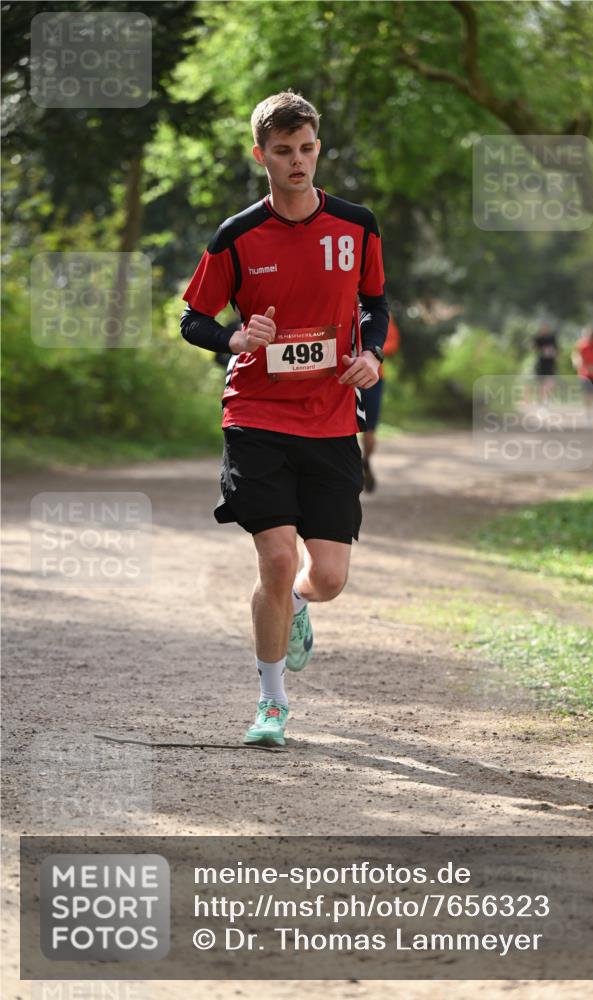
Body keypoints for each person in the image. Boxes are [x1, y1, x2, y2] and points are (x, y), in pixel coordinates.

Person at [180, 91, 388, 748]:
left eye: (305, 149)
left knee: (325, 577)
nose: (296, 162)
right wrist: (235, 341)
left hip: (329, 419)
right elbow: (193, 319)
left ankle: (298, 606)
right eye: (282, 151)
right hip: (256, 415)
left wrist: (372, 355)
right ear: (259, 155)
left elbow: (374, 305)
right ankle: (272, 704)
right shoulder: (236, 236)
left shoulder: (357, 225)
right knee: (275, 558)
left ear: (317, 148)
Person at [360, 313, 400, 492]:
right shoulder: (338, 302)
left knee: (369, 429)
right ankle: (352, 467)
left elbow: (393, 343)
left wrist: (371, 350)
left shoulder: (377, 310)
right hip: (342, 376)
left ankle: (366, 461)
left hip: (372, 377)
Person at [532, 322, 558, 405]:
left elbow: (557, 349)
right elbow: (533, 348)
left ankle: (548, 398)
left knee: (551, 381)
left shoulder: (552, 337)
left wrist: (553, 353)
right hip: (541, 363)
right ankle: (542, 400)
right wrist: (541, 351)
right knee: (541, 382)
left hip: (551, 363)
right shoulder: (538, 338)